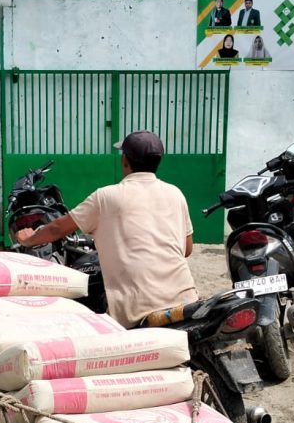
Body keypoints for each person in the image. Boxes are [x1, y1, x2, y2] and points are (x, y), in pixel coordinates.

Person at [15, 131, 198, 328]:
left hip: (138, 309)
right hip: (186, 298)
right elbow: (186, 249)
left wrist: (28, 238)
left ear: (125, 160)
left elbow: (57, 228)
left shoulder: (106, 197)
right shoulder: (175, 194)